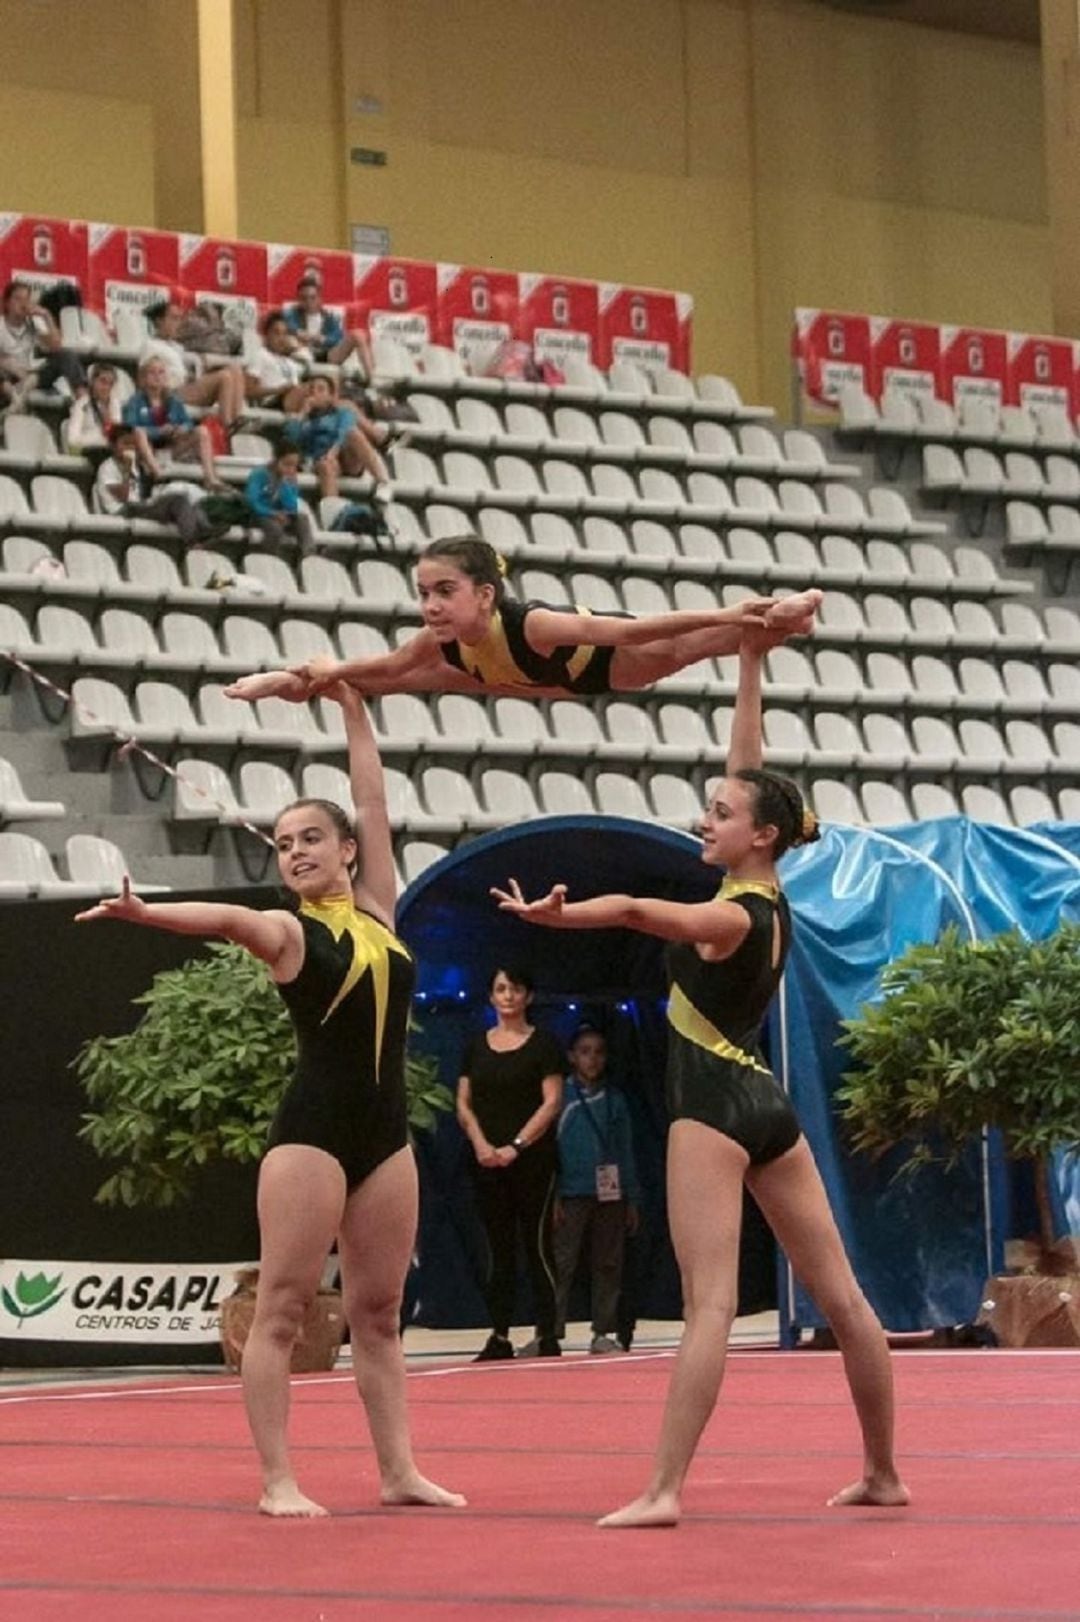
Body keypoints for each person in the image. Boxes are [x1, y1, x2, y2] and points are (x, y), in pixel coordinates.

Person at [492, 625, 909, 1526]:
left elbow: (642, 910)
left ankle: (664, 1489)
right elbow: (747, 768)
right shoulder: (763, 895)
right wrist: (750, 664)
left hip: (712, 1112)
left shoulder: (724, 921)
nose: (702, 819)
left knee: (708, 1303)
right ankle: (883, 1470)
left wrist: (557, 920)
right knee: (842, 1297)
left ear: (757, 835)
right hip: (764, 1103)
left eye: (718, 815)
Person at [75, 683, 466, 1520]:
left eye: (311, 839)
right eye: (284, 843)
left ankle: (399, 1470)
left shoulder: (380, 912)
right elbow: (226, 920)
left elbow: (371, 798)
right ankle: (278, 1478)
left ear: (346, 850)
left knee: (380, 1312)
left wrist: (354, 707)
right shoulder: (290, 932)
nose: (294, 853)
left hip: (384, 1136)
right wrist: (150, 913)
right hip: (312, 1137)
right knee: (282, 1308)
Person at [221, 534, 823, 704]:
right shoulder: (440, 639)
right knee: (387, 676)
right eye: (423, 592)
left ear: (485, 594)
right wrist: (310, 672)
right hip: (521, 679)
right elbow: (388, 665)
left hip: (608, 665)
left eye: (445, 591)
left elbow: (633, 630)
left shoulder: (533, 624)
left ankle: (784, 613)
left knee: (692, 645)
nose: (430, 605)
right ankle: (287, 684)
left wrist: (731, 610)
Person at [456, 966, 565, 1361]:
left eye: (515, 989)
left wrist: (516, 1146)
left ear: (528, 997)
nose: (507, 996)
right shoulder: (475, 1046)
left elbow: (552, 1102)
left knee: (536, 1246)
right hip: (486, 1162)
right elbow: (463, 1103)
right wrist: (483, 1145)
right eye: (500, 989)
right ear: (490, 997)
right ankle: (499, 1333)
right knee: (497, 1250)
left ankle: (548, 1333)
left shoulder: (545, 1045)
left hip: (533, 1161)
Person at [552, 1024, 640, 1354]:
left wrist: (631, 1197)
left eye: (599, 1052)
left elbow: (625, 1150)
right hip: (571, 1192)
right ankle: (550, 1329)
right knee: (562, 1263)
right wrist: (555, 1194)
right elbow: (549, 1151)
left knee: (608, 1262)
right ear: (572, 1057)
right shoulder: (560, 1097)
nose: (592, 1059)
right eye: (585, 1051)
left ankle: (604, 1330)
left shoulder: (615, 1100)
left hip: (610, 1193)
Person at [140, 299, 245, 430]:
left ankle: (237, 420)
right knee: (224, 377)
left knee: (235, 370)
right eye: (173, 318)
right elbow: (144, 377)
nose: (178, 324)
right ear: (159, 321)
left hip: (186, 387)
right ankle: (227, 426)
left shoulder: (177, 346)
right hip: (169, 392)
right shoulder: (150, 346)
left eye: (179, 319)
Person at [122, 356, 224, 488]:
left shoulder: (173, 400)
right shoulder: (135, 401)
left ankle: (210, 478)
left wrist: (180, 429)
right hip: (148, 448)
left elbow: (188, 423)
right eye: (152, 373)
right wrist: (159, 431)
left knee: (202, 431)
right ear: (144, 378)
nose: (157, 376)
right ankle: (157, 472)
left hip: (172, 447)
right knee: (139, 431)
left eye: (161, 372)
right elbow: (130, 427)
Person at [282, 374, 390, 498]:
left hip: (346, 458)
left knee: (353, 433)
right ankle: (332, 508)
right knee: (326, 465)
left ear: (330, 396)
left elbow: (345, 430)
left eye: (321, 389)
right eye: (312, 390)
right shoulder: (302, 418)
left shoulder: (342, 411)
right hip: (319, 460)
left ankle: (382, 482)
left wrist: (333, 451)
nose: (314, 393)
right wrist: (302, 413)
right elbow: (291, 440)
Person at [0, 278, 87, 405]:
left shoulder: (33, 323)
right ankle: (14, 395)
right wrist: (10, 366)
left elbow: (56, 346)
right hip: (8, 376)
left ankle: (84, 402)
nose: (22, 304)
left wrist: (46, 316)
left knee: (66, 355)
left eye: (26, 299)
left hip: (31, 375)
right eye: (17, 299)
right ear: (7, 303)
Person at [285, 274, 374, 372]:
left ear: (320, 298)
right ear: (298, 299)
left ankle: (371, 379)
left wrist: (323, 339)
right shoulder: (291, 313)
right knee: (289, 340)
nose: (308, 302)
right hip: (300, 351)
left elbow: (338, 336)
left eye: (312, 297)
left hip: (326, 354)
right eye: (304, 298)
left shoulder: (329, 316)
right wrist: (298, 333)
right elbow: (284, 325)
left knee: (358, 335)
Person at [243, 443, 317, 555]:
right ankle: (269, 556)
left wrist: (287, 485)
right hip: (260, 514)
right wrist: (272, 513)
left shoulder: (289, 479)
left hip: (280, 514)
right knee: (275, 529)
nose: (291, 469)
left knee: (302, 519)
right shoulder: (259, 474)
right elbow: (251, 501)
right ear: (276, 460)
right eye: (287, 464)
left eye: (294, 466)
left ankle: (308, 554)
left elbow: (292, 506)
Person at [245, 309, 307, 413]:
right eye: (276, 333)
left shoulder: (289, 360)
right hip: (272, 401)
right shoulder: (260, 355)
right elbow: (248, 390)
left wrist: (294, 349)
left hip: (293, 397)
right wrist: (278, 390)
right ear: (266, 335)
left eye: (284, 334)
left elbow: (306, 364)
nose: (281, 338)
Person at [64, 362, 123, 455]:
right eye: (103, 381)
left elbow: (117, 437)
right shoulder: (81, 405)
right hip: (88, 451)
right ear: (92, 381)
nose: (106, 387)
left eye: (110, 384)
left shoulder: (114, 404)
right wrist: (98, 437)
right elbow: (72, 440)